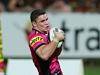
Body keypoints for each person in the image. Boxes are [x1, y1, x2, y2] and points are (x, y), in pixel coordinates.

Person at [26, 9, 64, 75]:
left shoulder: (47, 33)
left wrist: (59, 45)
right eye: (42, 21)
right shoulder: (35, 37)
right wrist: (56, 39)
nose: (46, 23)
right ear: (34, 24)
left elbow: (55, 55)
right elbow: (44, 55)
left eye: (47, 19)